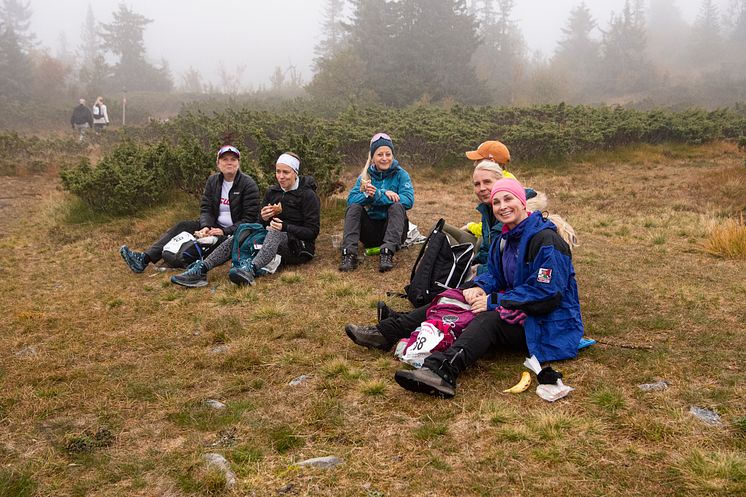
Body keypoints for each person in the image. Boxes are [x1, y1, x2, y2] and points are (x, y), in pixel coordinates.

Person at [344, 177, 584, 398]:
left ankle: (443, 372)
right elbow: (496, 277)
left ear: (522, 202)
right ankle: (386, 333)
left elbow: (548, 294)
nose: (502, 206)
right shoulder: (504, 239)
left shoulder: (546, 241)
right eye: (497, 202)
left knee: (488, 318)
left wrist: (494, 302)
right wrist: (480, 286)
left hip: (547, 324)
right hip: (520, 308)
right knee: (453, 296)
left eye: (508, 199)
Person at [171, 152, 320, 287]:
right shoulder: (272, 192)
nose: (281, 176)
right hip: (271, 242)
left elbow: (312, 232)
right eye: (278, 171)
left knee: (275, 232)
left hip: (300, 248)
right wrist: (263, 217)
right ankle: (201, 269)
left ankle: (250, 269)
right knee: (244, 231)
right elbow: (259, 224)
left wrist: (285, 227)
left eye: (286, 172)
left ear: (295, 173)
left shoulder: (308, 196)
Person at [119, 144, 260, 276]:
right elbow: (206, 209)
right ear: (218, 163)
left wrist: (225, 231)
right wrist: (205, 226)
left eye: (233, 159)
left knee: (206, 243)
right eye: (225, 159)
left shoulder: (248, 184)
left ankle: (189, 262)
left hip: (234, 233)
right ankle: (144, 258)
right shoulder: (213, 181)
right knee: (183, 226)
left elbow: (250, 220)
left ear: (238, 163)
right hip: (214, 226)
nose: (229, 162)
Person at [339, 132, 414, 273]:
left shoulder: (401, 174)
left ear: (393, 155)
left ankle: (387, 253)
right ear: (373, 157)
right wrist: (369, 195)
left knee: (397, 206)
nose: (384, 158)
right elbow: (350, 201)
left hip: (394, 231)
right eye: (380, 155)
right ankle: (349, 254)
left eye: (388, 154)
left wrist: (379, 194)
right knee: (354, 208)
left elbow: (409, 201)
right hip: (370, 233)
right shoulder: (365, 176)